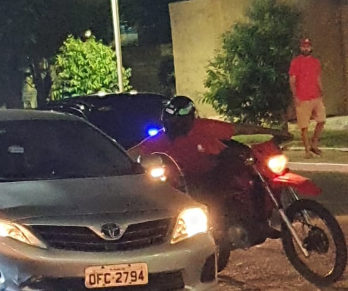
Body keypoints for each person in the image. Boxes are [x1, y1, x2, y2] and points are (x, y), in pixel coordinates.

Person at [128, 96, 288, 244]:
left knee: (254, 175)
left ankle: (261, 221)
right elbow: (133, 153)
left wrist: (276, 133)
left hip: (216, 171)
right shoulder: (158, 141)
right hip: (188, 184)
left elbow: (240, 129)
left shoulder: (203, 127)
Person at [289, 38, 325, 158]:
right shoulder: (295, 62)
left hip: (316, 96)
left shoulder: (316, 62)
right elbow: (292, 80)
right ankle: (307, 150)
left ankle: (314, 143)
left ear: (311, 48)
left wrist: (321, 91)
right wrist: (295, 96)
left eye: (308, 46)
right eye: (304, 46)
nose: (306, 48)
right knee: (304, 125)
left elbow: (318, 78)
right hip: (302, 97)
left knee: (321, 120)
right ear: (301, 48)